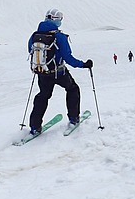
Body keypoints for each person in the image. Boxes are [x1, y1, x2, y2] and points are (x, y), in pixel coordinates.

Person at [27, 8, 92, 136]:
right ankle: (74, 118)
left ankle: (35, 126)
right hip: (59, 72)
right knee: (73, 89)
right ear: (56, 20)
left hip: (42, 72)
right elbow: (68, 58)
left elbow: (31, 50)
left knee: (43, 96)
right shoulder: (59, 37)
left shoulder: (35, 36)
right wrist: (84, 64)